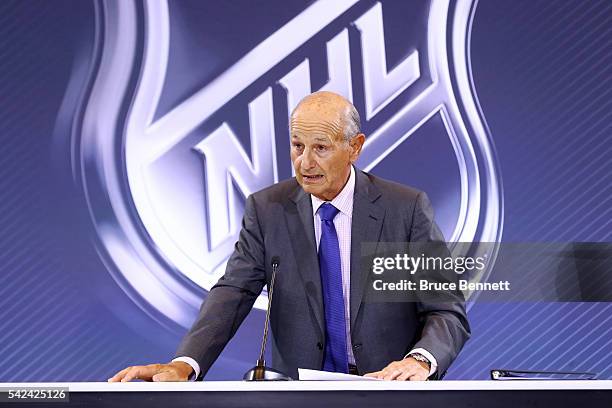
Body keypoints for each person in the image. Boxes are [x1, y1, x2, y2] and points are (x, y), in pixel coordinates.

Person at [109, 91, 470, 382]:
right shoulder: (267, 210)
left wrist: (421, 361)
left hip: (385, 393)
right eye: (297, 146)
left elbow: (445, 309)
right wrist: (185, 364)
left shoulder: (404, 209)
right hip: (297, 397)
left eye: (321, 147)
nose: (305, 162)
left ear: (355, 147)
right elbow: (233, 292)